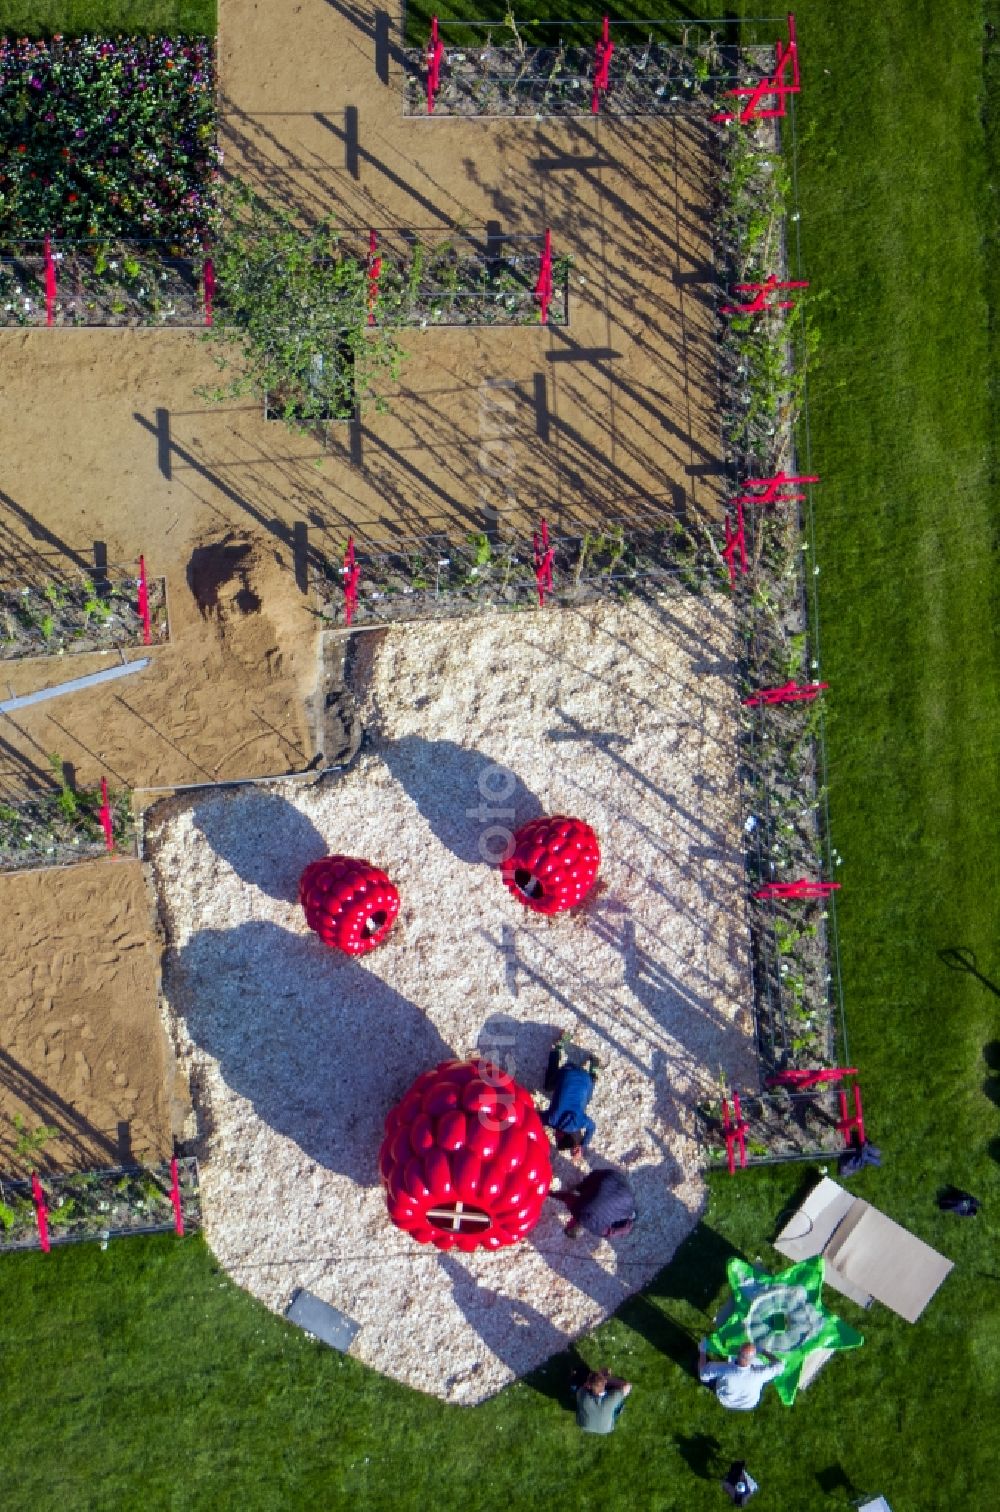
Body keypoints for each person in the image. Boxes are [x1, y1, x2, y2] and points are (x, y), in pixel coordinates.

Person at [541, 1029, 600, 1158]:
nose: (554, 1135)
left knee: (587, 1098)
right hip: (567, 1071)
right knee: (547, 1086)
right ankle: (557, 1049)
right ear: (562, 1134)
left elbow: (592, 1127)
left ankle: (594, 1072)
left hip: (585, 1079)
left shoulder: (580, 1122)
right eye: (556, 1137)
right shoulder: (552, 1119)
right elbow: (537, 1118)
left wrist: (582, 1145)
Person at [550, 1167, 637, 1239]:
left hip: (616, 1184)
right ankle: (554, 1193)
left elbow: (613, 1232)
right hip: (605, 1180)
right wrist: (551, 1193)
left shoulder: (599, 1230)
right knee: (581, 1200)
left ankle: (632, 1215)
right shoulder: (580, 1213)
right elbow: (567, 1199)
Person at [697, 1340, 782, 1411]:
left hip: (726, 1401)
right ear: (754, 1358)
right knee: (770, 1378)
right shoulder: (760, 1374)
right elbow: (779, 1366)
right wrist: (764, 1351)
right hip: (750, 1403)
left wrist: (702, 1351)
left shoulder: (724, 1369)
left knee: (706, 1377)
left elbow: (703, 1375)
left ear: (738, 1353)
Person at [574, 1367, 632, 1434]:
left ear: (589, 1385)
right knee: (619, 1404)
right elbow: (628, 1386)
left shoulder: (583, 1395)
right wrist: (606, 1378)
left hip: (583, 1425)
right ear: (605, 1383)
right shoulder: (613, 1397)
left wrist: (596, 1379)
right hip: (606, 1429)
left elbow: (583, 1387)